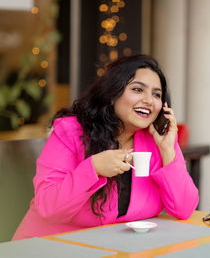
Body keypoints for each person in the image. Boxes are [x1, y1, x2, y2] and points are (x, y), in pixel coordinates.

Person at [12, 54, 199, 240]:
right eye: (138, 89)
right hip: (48, 246)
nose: (149, 100)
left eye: (156, 94)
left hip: (114, 248)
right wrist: (93, 168)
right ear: (112, 94)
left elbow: (184, 209)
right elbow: (48, 208)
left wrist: (168, 151)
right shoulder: (71, 131)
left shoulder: (157, 141)